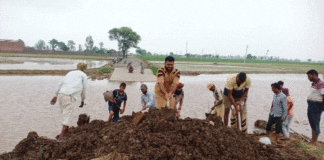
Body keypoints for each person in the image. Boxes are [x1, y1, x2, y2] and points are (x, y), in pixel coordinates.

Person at [50, 63, 88, 142]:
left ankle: (66, 135)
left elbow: (60, 84)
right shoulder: (83, 75)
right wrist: (82, 100)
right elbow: (84, 89)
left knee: (65, 114)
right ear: (85, 68)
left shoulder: (70, 73)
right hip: (70, 96)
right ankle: (60, 139)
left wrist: (55, 96)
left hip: (61, 94)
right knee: (68, 116)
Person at [306, 69, 324, 145]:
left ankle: (314, 141)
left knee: (315, 122)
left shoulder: (321, 84)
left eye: (309, 76)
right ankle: (312, 140)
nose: (308, 78)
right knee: (312, 122)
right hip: (311, 104)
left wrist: (321, 106)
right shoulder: (313, 83)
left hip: (317, 105)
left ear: (314, 75)